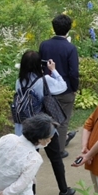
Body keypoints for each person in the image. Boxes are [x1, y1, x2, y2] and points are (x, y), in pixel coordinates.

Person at [14, 50, 73, 195]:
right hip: (44, 125)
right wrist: (53, 70)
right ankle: (63, 190)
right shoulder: (43, 80)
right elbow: (62, 86)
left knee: (29, 161)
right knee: (55, 159)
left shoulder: (19, 81)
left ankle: (31, 194)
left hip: (26, 127)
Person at [38, 14, 79, 158]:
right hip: (65, 90)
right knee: (63, 121)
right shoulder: (70, 48)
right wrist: (74, 88)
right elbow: (73, 72)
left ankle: (47, 145)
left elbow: (40, 66)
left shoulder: (44, 45)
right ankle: (60, 150)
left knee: (49, 119)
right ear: (68, 29)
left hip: (47, 90)